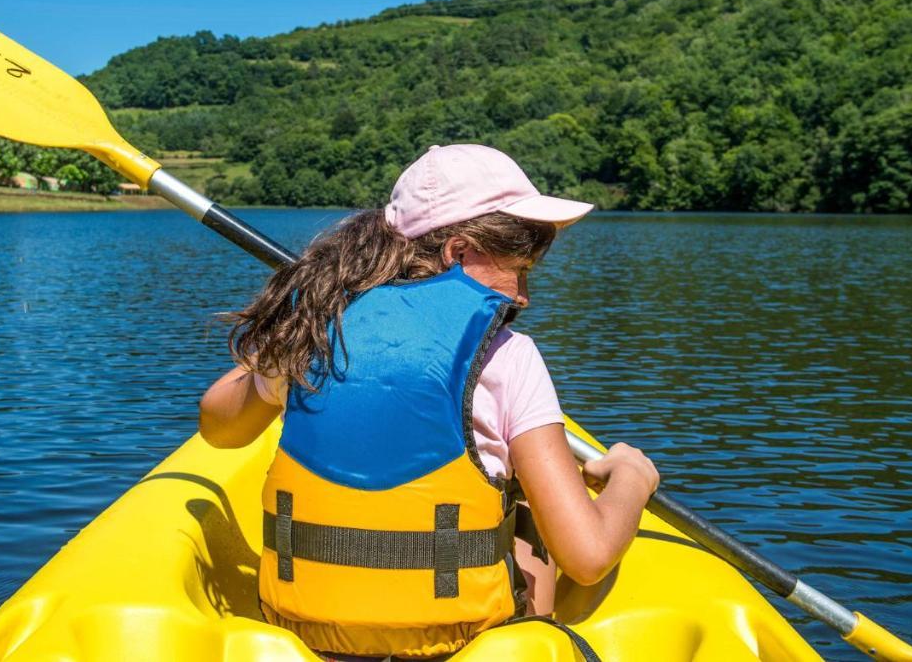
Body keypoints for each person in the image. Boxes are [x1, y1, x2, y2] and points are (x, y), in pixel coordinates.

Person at [199, 144, 660, 660]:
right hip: (461, 643)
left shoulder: (318, 336)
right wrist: (632, 479)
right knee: (526, 502)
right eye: (520, 269)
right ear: (459, 252)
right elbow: (589, 555)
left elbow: (220, 426)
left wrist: (287, 341)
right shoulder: (509, 356)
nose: (525, 295)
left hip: (312, 638)